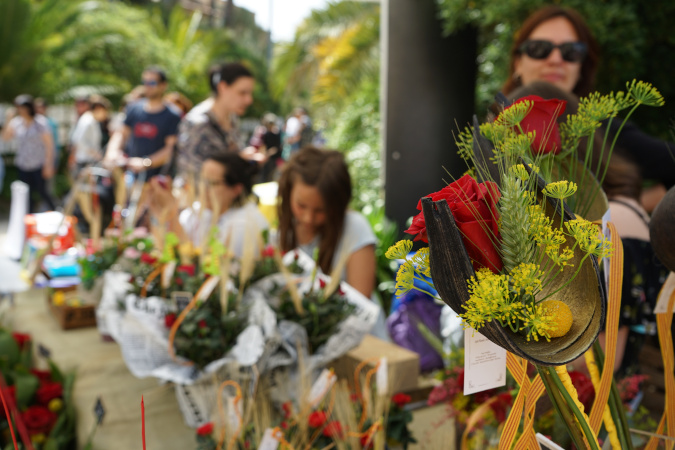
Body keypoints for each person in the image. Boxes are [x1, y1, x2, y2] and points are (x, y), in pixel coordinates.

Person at [501, 5, 675, 191]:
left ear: (581, 68)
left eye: (571, 51)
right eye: (539, 48)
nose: (555, 59)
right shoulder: (492, 127)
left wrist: (632, 207)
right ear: (518, 62)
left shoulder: (602, 132)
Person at [277, 146, 376, 298]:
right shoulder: (284, 231)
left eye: (320, 210)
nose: (308, 218)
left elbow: (361, 301)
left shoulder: (355, 229)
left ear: (338, 203)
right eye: (301, 206)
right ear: (288, 192)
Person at [146, 153, 268, 257]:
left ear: (236, 189)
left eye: (212, 183)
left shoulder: (246, 225)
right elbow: (166, 249)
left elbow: (200, 269)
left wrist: (172, 212)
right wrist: (159, 213)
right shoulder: (197, 211)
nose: (203, 188)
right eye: (202, 180)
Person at [177, 62, 261, 178]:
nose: (249, 100)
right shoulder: (197, 122)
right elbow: (191, 172)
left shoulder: (232, 119)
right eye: (242, 93)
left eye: (250, 93)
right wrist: (239, 160)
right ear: (222, 87)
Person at [104, 67, 181, 179]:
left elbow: (171, 149)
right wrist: (112, 152)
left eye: (152, 82)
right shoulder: (133, 108)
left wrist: (146, 163)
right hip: (130, 177)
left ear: (163, 85)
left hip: (157, 180)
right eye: (145, 82)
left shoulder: (172, 115)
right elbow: (121, 134)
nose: (147, 86)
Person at [1, 95, 56, 212]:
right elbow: (5, 138)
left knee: (43, 192)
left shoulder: (40, 122)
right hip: (23, 164)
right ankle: (28, 220)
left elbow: (49, 145)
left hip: (39, 163)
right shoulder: (16, 123)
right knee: (26, 195)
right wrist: (8, 119)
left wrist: (48, 164)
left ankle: (56, 214)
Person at [70, 95, 102, 175]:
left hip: (88, 160)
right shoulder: (87, 119)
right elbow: (79, 140)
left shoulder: (89, 119)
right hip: (86, 161)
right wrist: (94, 153)